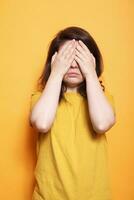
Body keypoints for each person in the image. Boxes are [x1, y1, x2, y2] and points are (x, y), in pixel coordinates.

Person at [29, 26, 116, 200]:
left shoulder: (103, 99)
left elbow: (101, 124)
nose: (74, 64)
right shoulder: (39, 98)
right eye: (67, 57)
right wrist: (57, 72)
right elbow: (42, 123)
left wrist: (90, 73)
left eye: (80, 57)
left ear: (92, 61)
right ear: (54, 61)